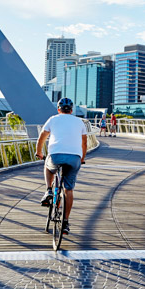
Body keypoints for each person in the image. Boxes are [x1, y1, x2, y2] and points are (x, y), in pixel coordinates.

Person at [36, 98, 87, 236]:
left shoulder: (53, 119)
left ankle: (48, 191)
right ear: (71, 110)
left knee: (48, 166)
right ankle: (65, 222)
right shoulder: (79, 122)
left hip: (56, 155)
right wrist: (81, 159)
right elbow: (84, 144)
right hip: (74, 158)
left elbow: (42, 137)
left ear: (58, 109)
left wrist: (39, 152)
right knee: (68, 190)